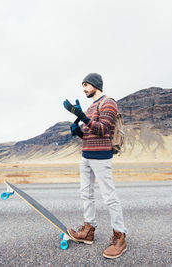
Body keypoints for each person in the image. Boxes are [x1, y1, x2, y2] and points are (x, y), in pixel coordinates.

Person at [63, 73, 127, 259]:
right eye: (82, 85)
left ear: (95, 85)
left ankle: (120, 236)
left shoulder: (108, 103)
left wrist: (81, 115)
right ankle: (88, 230)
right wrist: (79, 133)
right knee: (86, 193)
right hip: (86, 156)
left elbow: (103, 129)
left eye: (86, 85)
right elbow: (91, 133)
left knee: (109, 197)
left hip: (101, 157)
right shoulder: (91, 106)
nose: (83, 89)